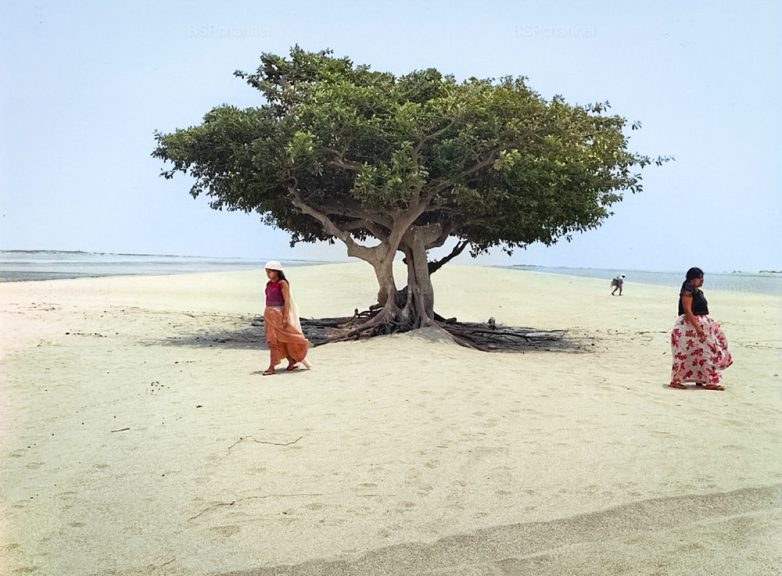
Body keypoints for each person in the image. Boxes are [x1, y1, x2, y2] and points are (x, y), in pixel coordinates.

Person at [669, 267, 732, 390]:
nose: (702, 280)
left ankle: (702, 379)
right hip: (689, 327)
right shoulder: (688, 290)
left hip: (699, 325)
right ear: (692, 279)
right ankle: (678, 380)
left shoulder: (697, 291)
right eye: (700, 278)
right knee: (688, 353)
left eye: (702, 277)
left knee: (704, 352)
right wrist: (698, 328)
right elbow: (688, 311)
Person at [262, 261, 310, 376]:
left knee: (278, 339)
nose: (268, 274)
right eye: (267, 272)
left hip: (279, 314)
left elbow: (287, 301)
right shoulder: (268, 284)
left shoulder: (282, 283)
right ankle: (291, 361)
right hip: (269, 314)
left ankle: (272, 367)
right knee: (276, 339)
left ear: (277, 272)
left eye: (270, 271)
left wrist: (285, 317)